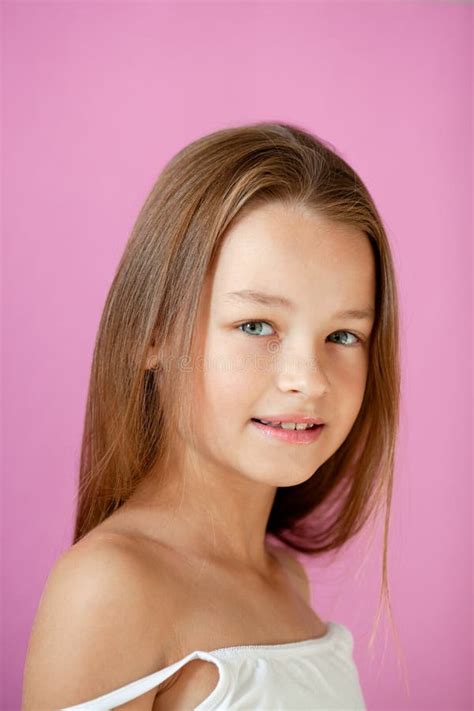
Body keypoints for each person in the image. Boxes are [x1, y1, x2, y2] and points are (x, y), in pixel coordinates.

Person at [22, 121, 401, 710]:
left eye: (344, 334)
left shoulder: (289, 585)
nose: (308, 377)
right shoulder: (110, 588)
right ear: (153, 334)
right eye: (256, 326)